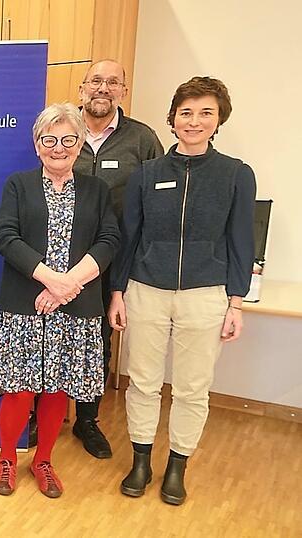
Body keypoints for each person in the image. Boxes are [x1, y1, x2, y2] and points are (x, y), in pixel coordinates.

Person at [109, 76, 255, 506]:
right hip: (146, 289)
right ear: (173, 119)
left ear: (218, 120)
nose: (194, 121)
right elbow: (129, 234)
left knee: (192, 387)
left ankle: (177, 465)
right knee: (143, 383)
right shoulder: (146, 174)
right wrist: (117, 291)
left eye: (205, 112)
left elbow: (241, 240)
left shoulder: (236, 174)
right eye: (186, 112)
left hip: (205, 294)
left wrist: (236, 301)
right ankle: (140, 460)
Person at [0, 103, 119, 498]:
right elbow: (5, 237)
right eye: (49, 139)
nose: (58, 148)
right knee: (19, 389)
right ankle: (7, 459)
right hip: (24, 305)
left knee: (59, 389)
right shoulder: (18, 185)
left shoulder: (97, 190)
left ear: (80, 145)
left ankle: (43, 460)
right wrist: (50, 280)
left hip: (76, 309)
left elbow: (109, 240)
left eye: (68, 140)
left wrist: (69, 285)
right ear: (37, 144)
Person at [71, 59, 165, 459]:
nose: (103, 88)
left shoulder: (142, 140)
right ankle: (40, 412)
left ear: (123, 91)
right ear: (82, 88)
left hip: (112, 260)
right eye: (96, 81)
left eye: (113, 82)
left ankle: (87, 420)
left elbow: (157, 203)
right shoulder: (62, 127)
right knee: (46, 334)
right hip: (57, 256)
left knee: (98, 341)